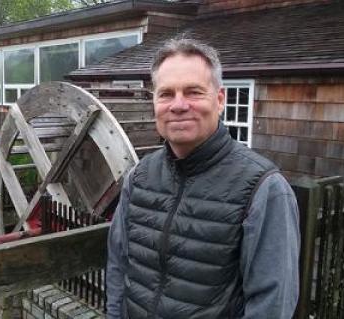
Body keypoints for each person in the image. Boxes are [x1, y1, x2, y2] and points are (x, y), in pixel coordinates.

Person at [106, 38, 300, 319]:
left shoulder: (264, 188)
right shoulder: (138, 177)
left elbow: (273, 304)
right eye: (166, 94)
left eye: (193, 92)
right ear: (154, 102)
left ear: (219, 100)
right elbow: (118, 267)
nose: (179, 105)